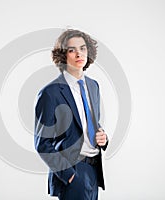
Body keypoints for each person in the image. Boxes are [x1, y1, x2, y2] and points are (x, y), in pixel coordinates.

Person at [34, 29, 109, 200]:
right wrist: (69, 174)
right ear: (63, 55)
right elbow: (42, 143)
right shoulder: (50, 93)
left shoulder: (93, 86)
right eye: (71, 50)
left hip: (94, 169)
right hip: (72, 172)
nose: (78, 54)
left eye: (83, 48)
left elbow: (90, 122)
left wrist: (103, 137)